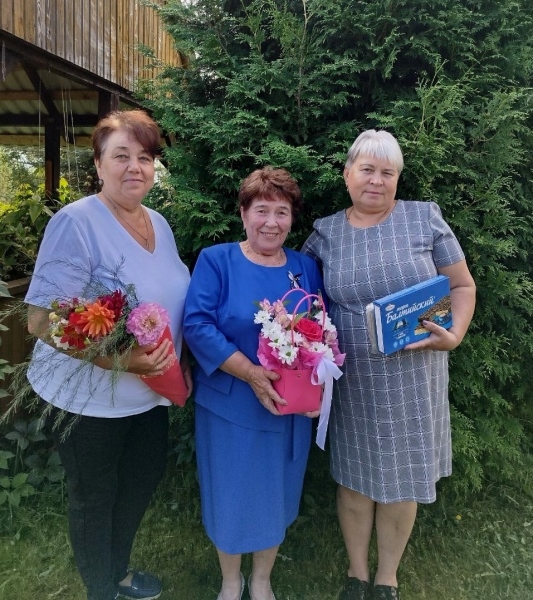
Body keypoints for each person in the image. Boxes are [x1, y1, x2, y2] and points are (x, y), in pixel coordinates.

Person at [24, 109, 192, 600]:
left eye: (145, 157)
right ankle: (102, 589)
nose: (135, 167)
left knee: (141, 479)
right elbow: (40, 319)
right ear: (98, 165)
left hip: (148, 393)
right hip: (88, 401)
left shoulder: (158, 223)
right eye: (121, 156)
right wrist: (116, 360)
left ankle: (115, 571)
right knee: (95, 498)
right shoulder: (76, 223)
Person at [302, 130, 476, 600]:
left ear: (398, 178)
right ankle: (357, 573)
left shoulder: (425, 217)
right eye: (367, 170)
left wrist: (455, 333)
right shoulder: (325, 233)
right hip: (353, 375)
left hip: (414, 374)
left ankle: (387, 578)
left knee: (403, 478)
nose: (376, 181)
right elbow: (304, 299)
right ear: (347, 175)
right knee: (354, 477)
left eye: (387, 172)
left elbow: (462, 286)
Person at [183, 167, 323, 600]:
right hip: (230, 405)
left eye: (282, 212)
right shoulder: (217, 260)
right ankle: (231, 580)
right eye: (261, 210)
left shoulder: (304, 267)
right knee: (229, 494)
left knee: (275, 494)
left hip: (287, 406)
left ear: (291, 219)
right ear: (243, 214)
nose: (271, 222)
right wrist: (250, 373)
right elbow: (197, 324)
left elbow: (319, 329)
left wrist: (319, 385)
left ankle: (262, 579)